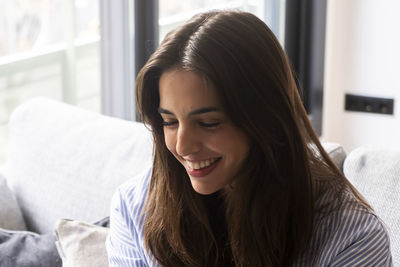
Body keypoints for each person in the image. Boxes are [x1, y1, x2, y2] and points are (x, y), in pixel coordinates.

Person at [106, 10, 393, 267]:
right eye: (169, 122)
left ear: (264, 118)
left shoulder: (352, 237)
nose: (182, 146)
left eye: (208, 123)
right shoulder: (135, 208)